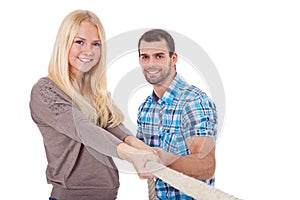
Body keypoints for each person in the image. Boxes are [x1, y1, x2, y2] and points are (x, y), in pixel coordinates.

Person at [29, 10, 159, 200]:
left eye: (96, 44)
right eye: (79, 42)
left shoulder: (96, 93)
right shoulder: (46, 90)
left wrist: (141, 148)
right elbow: (84, 130)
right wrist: (131, 155)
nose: (89, 51)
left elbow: (114, 127)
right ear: (64, 43)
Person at [136, 29, 218, 199]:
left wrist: (166, 160)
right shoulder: (144, 108)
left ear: (173, 59)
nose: (151, 63)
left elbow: (206, 165)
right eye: (145, 57)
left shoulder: (194, 102)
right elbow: (140, 156)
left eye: (159, 56)